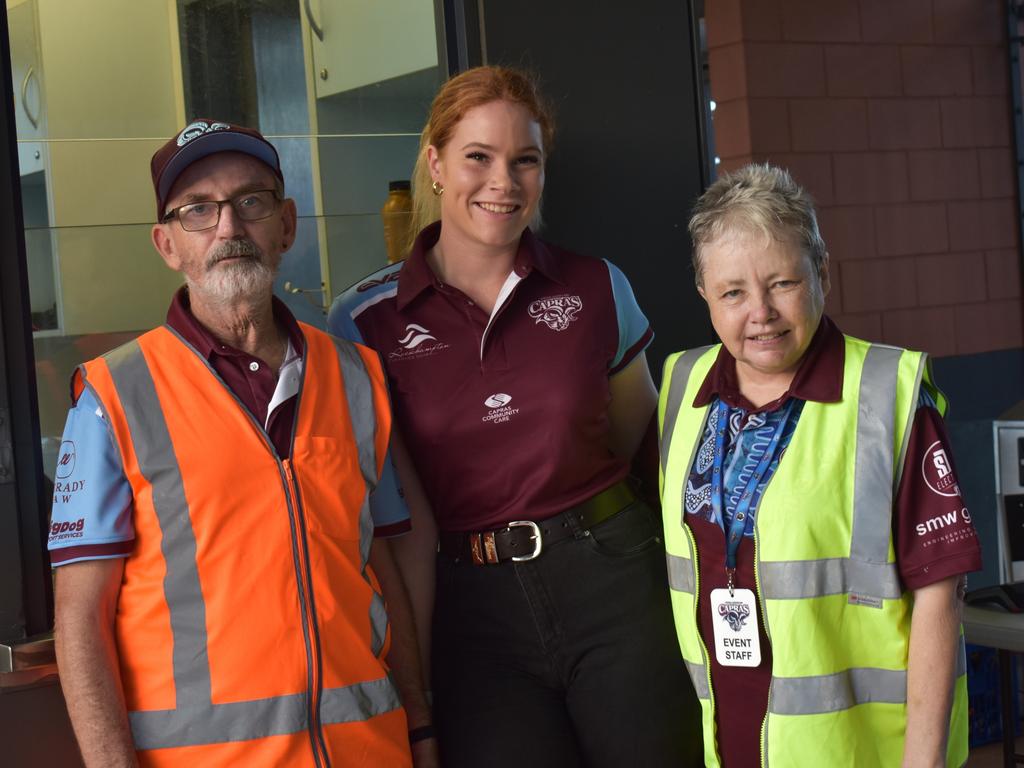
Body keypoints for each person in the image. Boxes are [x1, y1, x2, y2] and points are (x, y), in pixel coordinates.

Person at [329, 66, 702, 767]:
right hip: (475, 611)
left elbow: (645, 451)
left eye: (523, 160)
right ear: (436, 165)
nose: (503, 181)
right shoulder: (362, 320)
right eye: (479, 157)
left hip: (613, 582)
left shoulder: (596, 286)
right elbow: (391, 515)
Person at [48, 120, 436, 767]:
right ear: (166, 243)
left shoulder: (357, 377)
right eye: (198, 210)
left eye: (250, 202)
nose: (228, 228)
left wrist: (420, 726)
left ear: (286, 225)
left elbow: (384, 572)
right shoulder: (112, 397)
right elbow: (80, 620)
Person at [658, 163, 981, 767]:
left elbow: (941, 592)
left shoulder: (888, 393)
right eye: (732, 291)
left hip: (861, 752)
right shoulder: (682, 384)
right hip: (730, 740)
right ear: (704, 293)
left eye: (782, 283)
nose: (761, 312)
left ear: (821, 273)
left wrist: (925, 761)